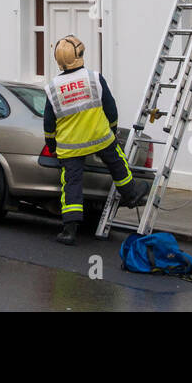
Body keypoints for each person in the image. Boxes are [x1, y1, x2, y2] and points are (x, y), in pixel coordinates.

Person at [43, 35, 146, 245]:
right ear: (79, 55)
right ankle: (131, 194)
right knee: (117, 163)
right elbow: (110, 107)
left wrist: (53, 146)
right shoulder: (94, 78)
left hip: (70, 146)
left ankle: (69, 231)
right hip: (100, 137)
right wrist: (113, 129)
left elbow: (49, 124)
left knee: (71, 184)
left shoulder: (53, 87)